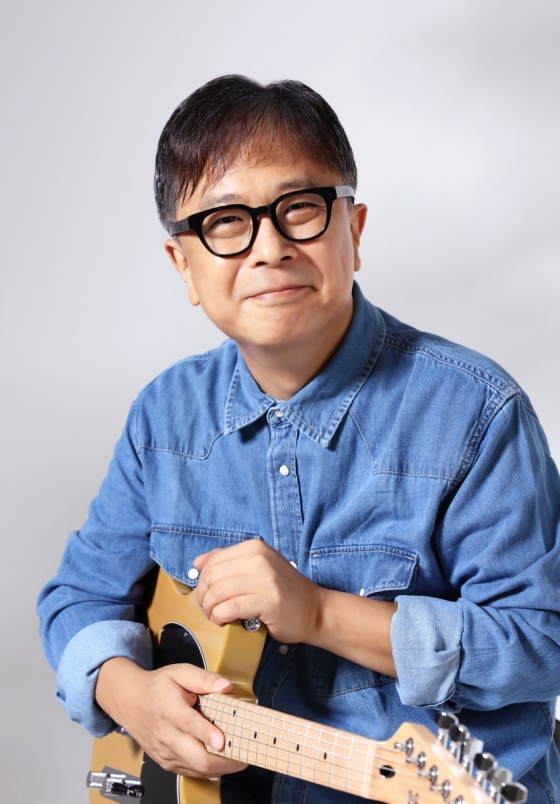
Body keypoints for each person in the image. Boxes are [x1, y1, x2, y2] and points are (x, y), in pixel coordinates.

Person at [38, 75, 560, 804]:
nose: (270, 248)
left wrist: (318, 613)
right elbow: (78, 598)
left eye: (299, 209)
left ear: (355, 229)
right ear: (184, 266)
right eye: (225, 222)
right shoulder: (163, 416)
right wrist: (130, 695)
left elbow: (539, 644)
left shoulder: (477, 411)